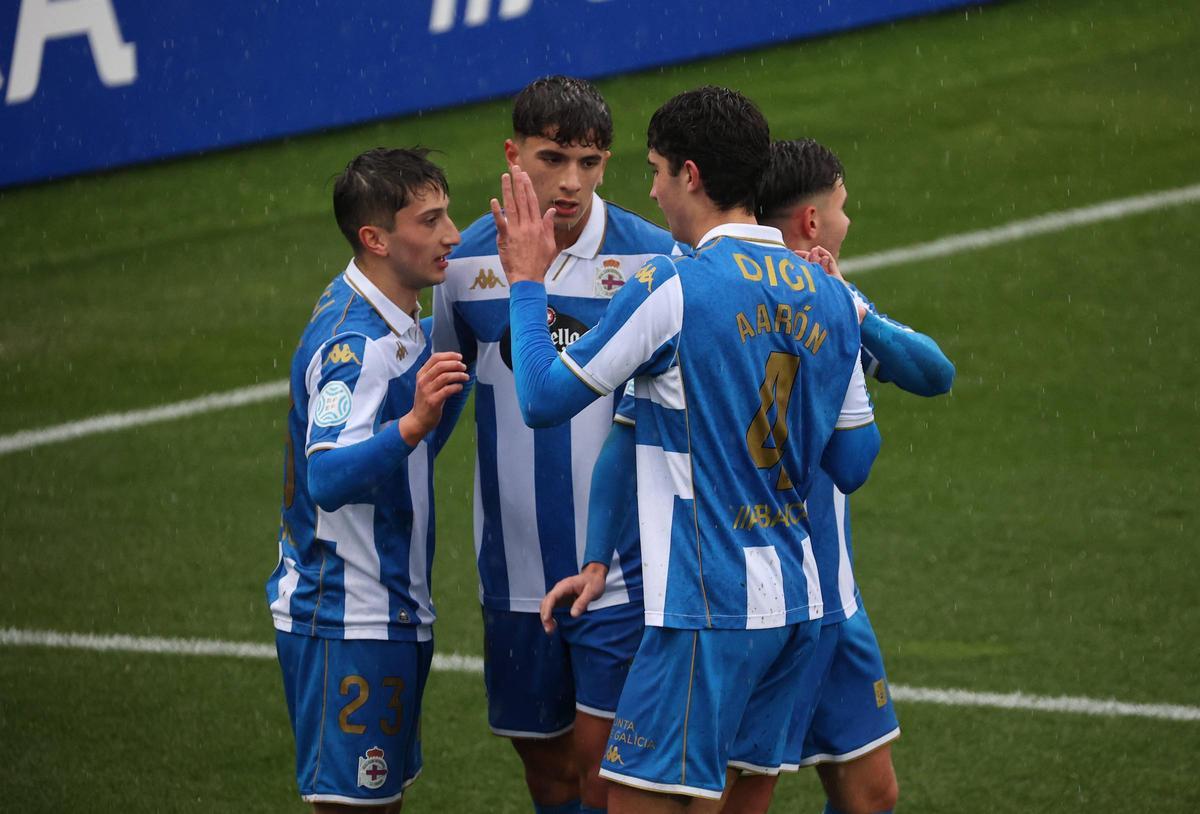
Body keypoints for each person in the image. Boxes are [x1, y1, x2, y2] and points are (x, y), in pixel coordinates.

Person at [496, 86, 880, 812]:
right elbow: (854, 465)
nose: (651, 189)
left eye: (657, 171)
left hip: (707, 610)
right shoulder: (830, 293)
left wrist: (525, 282)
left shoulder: (671, 285)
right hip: (796, 608)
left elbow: (543, 397)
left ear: (692, 175)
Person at [431, 75, 678, 814]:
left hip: (624, 573)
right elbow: (436, 408)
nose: (570, 182)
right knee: (548, 779)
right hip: (514, 573)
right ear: (512, 155)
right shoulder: (464, 268)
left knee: (611, 783)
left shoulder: (651, 260)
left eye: (591, 162)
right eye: (551, 158)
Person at [723, 138, 956, 814]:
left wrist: (858, 313)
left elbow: (934, 375)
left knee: (871, 793)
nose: (851, 220)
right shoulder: (742, 304)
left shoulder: (832, 300)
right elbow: (853, 464)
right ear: (812, 224)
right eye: (844, 206)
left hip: (833, 594)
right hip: (759, 588)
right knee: (741, 795)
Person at [266, 147, 470, 812]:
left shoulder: (396, 312)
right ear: (376, 239)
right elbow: (325, 476)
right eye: (430, 220)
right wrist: (412, 423)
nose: (452, 235)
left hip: (390, 610)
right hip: (345, 617)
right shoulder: (356, 344)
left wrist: (443, 390)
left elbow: (412, 446)